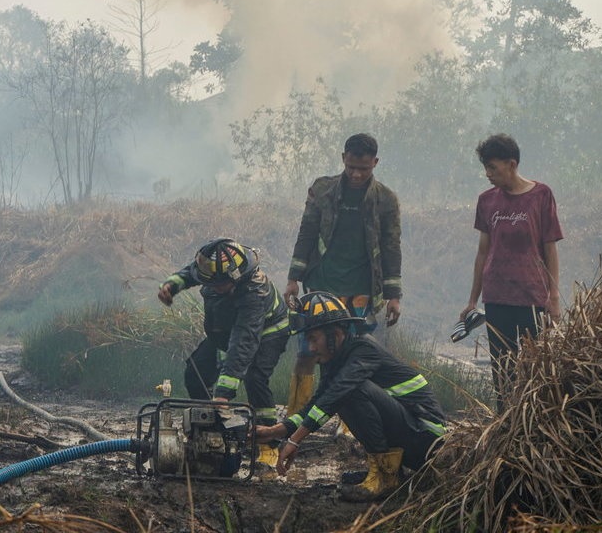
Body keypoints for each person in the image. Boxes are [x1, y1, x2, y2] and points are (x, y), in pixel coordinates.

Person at [256, 292, 447, 501]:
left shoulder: (364, 349)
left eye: (314, 339)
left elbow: (335, 396)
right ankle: (385, 470)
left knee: (350, 391)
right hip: (409, 434)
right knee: (337, 394)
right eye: (307, 340)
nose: (310, 348)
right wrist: (277, 431)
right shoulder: (335, 358)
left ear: (336, 334)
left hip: (426, 440)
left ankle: (385, 477)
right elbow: (318, 402)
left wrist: (295, 441)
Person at [282, 133, 403, 417]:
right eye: (351, 167)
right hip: (320, 287)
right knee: (307, 351)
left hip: (361, 290)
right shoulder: (322, 190)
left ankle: (350, 421)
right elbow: (307, 233)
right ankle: (296, 416)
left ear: (375, 163)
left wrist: (394, 296)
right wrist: (293, 279)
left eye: (364, 169)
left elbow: (391, 247)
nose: (356, 174)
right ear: (342, 159)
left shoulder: (386, 200)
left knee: (353, 357)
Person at [157, 238, 291, 468]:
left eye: (219, 284)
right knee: (195, 372)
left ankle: (269, 446)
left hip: (268, 331)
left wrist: (223, 394)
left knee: (255, 378)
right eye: (210, 283)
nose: (213, 288)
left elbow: (243, 343)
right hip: (227, 332)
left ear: (236, 277)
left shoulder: (254, 292)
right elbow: (190, 273)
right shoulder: (213, 269)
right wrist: (171, 285)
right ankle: (208, 432)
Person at [461, 134, 563, 413]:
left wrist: (554, 297)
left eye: (492, 167)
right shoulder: (486, 201)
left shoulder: (541, 195)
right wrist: (472, 300)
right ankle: (506, 422)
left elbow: (550, 248)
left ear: (512, 164)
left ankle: (533, 422)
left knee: (535, 369)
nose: (488, 174)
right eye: (486, 167)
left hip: (532, 296)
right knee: (503, 369)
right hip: (497, 296)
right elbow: (483, 253)